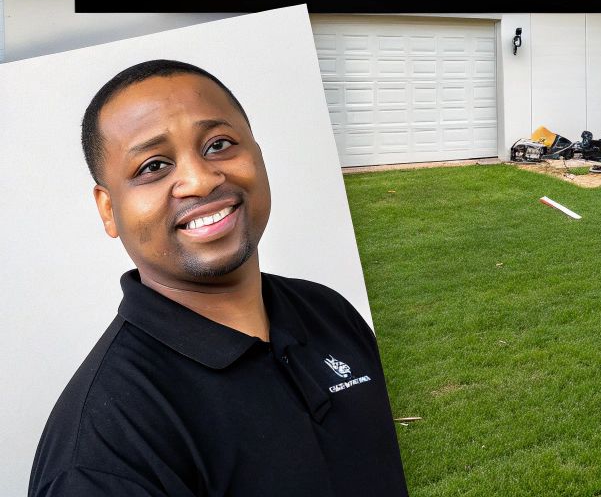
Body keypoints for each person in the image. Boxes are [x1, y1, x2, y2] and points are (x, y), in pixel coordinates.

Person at [30, 60, 409, 497]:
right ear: (108, 209)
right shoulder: (104, 452)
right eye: (153, 166)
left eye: (219, 144)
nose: (200, 180)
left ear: (258, 154)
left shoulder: (329, 312)